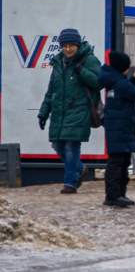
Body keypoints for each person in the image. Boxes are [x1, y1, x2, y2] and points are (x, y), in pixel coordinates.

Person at [37, 29, 102, 194]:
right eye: (64, 46)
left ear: (78, 45)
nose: (67, 49)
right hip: (59, 112)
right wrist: (44, 112)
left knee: (71, 145)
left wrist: (82, 72)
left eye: (71, 45)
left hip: (79, 110)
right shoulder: (58, 62)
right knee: (57, 145)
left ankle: (70, 183)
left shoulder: (89, 60)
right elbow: (52, 90)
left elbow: (98, 82)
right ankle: (80, 169)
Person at [99, 51, 135, 208]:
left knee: (121, 162)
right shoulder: (120, 84)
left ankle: (119, 194)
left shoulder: (114, 81)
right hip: (121, 129)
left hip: (118, 129)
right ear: (123, 68)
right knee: (117, 163)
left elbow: (126, 90)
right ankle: (113, 196)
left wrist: (134, 79)